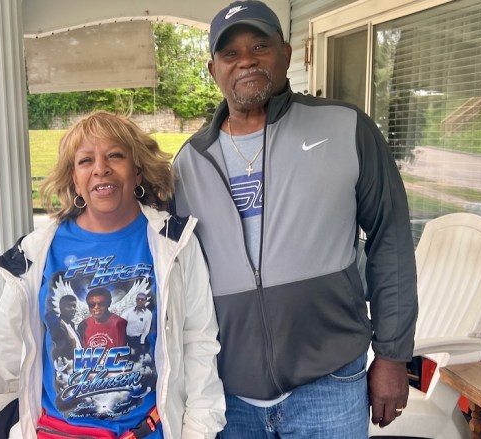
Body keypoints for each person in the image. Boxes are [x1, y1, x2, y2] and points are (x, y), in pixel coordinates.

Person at [171, 1, 418, 438]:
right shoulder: (188, 163)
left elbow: (391, 240)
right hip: (228, 393)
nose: (245, 59)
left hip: (330, 382)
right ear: (214, 70)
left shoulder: (346, 128)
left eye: (259, 46)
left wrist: (393, 355)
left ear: (285, 54)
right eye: (230, 53)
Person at [0, 111, 226, 439]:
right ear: (74, 178)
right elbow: (4, 342)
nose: (101, 168)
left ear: (137, 170)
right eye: (86, 160)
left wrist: (198, 432)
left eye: (115, 155)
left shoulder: (175, 245)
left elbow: (198, 342)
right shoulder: (38, 251)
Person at [45, 293, 81, 361]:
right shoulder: (57, 326)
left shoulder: (72, 326)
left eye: (74, 306)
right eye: (69, 306)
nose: (73, 309)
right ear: (61, 307)